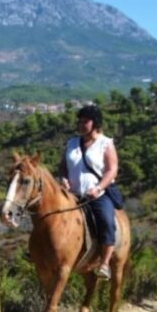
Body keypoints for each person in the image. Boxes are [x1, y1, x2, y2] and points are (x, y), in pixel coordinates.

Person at [59, 104, 118, 280]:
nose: (82, 124)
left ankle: (105, 263)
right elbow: (63, 166)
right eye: (80, 121)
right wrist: (63, 178)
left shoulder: (105, 143)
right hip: (72, 195)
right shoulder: (71, 143)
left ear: (95, 123)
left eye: (86, 121)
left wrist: (99, 187)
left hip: (96, 195)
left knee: (107, 221)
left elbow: (112, 170)